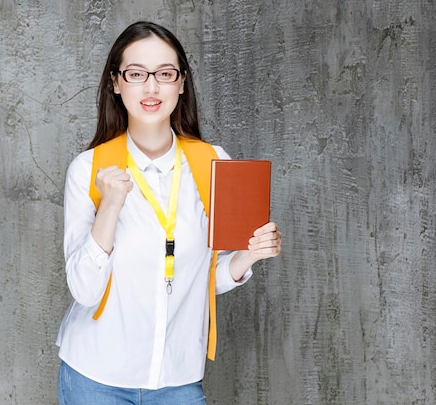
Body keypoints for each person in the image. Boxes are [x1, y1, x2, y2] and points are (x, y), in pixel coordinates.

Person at [56, 21, 282, 405]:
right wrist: (110, 206)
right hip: (95, 379)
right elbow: (84, 290)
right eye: (136, 74)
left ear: (181, 82)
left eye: (164, 73)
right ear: (116, 82)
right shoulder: (89, 169)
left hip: (178, 378)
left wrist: (250, 255)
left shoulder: (213, 163)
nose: (151, 87)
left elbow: (202, 275)